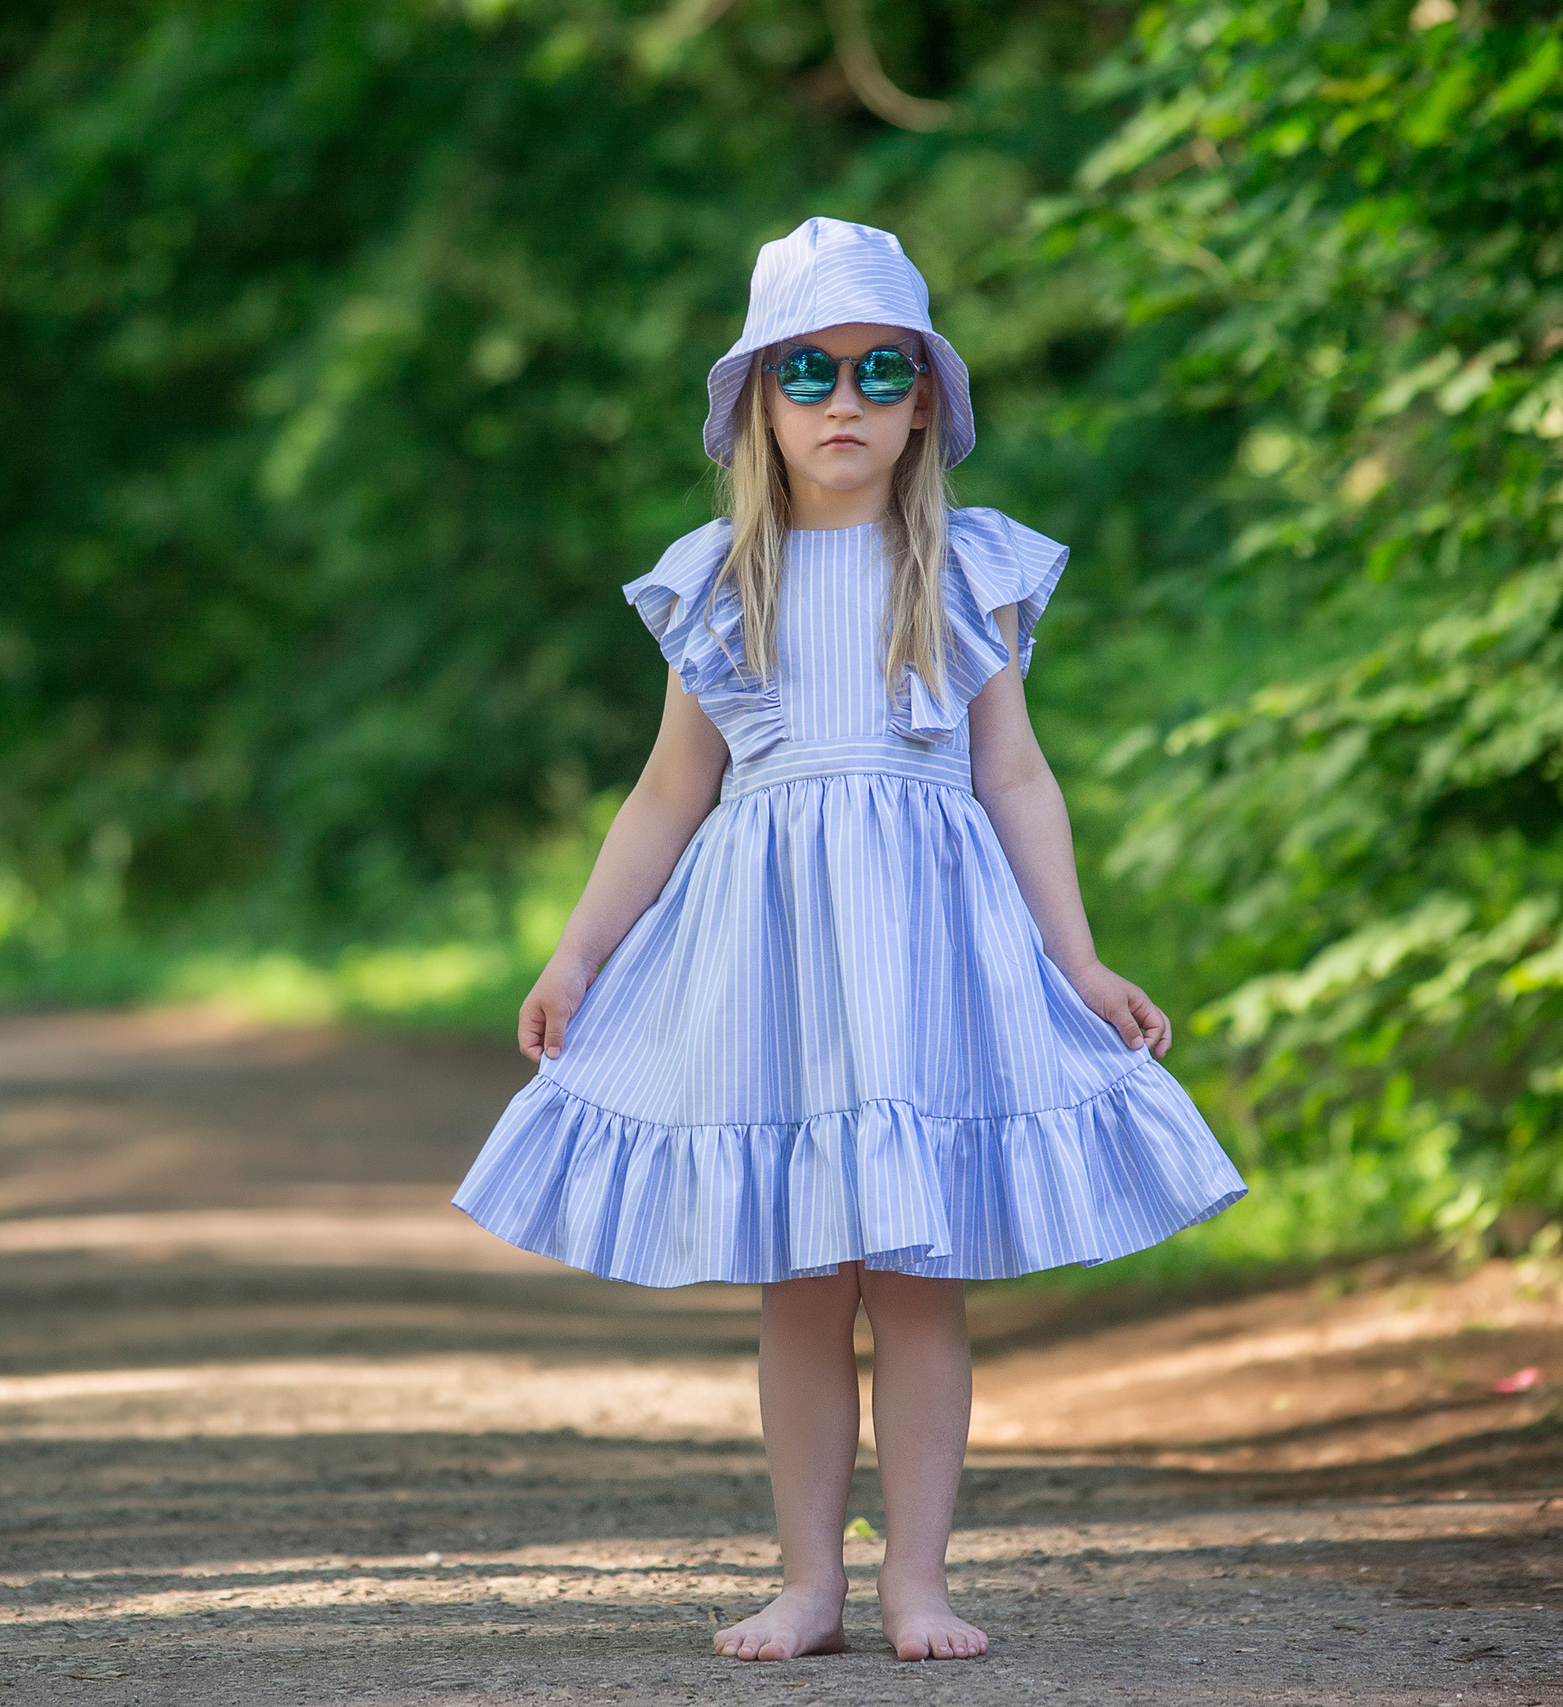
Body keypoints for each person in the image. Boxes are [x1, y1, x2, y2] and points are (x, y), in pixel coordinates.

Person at [451, 218, 1246, 1664]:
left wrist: (1079, 962)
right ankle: (809, 1578)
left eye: (881, 371)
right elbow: (666, 793)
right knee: (805, 1278)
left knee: (919, 1277)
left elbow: (1014, 775)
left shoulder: (970, 571)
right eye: (806, 371)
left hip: (930, 951)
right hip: (772, 959)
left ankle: (917, 1583)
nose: (844, 400)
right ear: (759, 400)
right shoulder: (722, 579)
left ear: (925, 402)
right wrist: (577, 953)